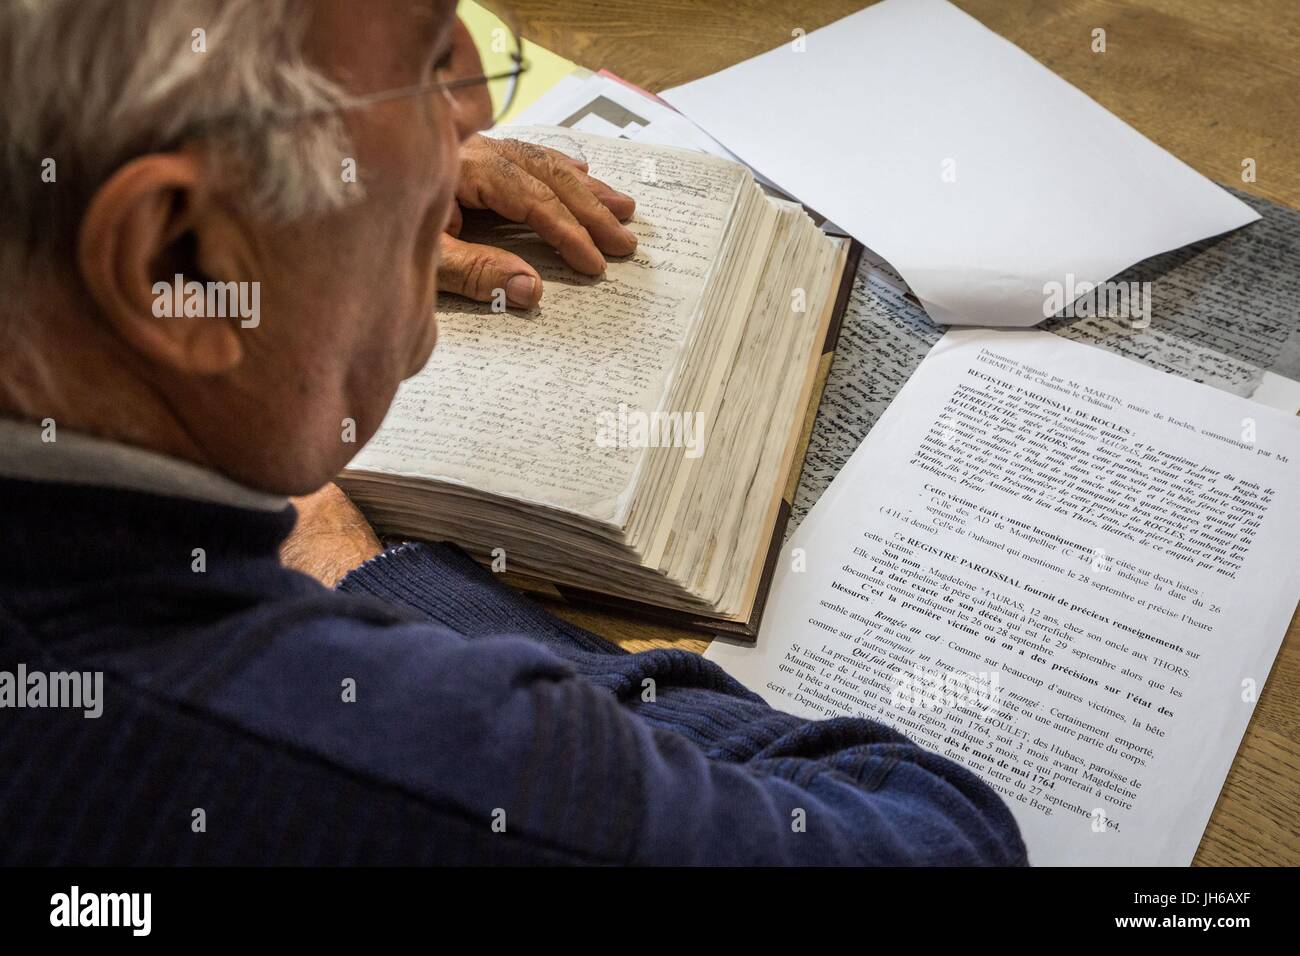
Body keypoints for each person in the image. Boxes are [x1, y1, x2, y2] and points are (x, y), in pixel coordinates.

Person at [0, 0, 1026, 865]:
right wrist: (382, 581)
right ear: (177, 259)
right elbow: (940, 835)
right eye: (424, 56)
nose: (478, 106)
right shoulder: (383, 756)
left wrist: (342, 171)